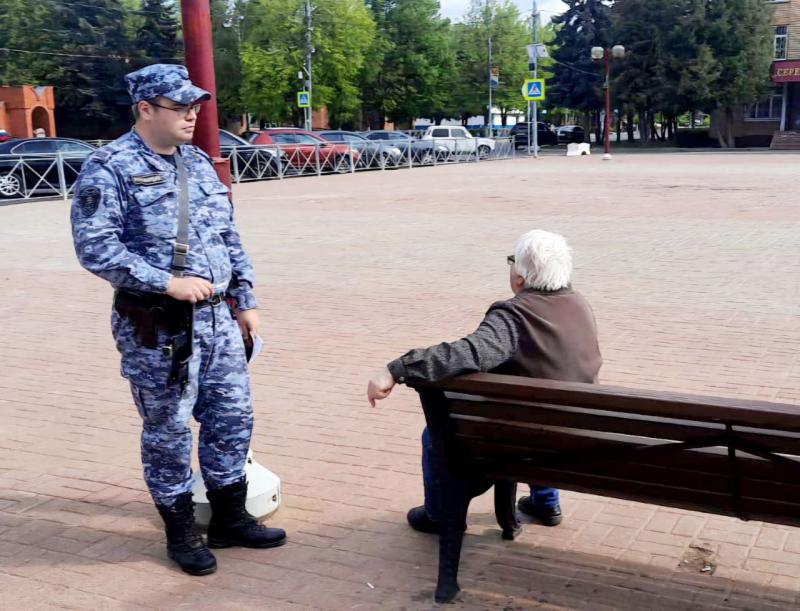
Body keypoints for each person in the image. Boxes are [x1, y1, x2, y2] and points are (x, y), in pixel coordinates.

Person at [70, 64, 285, 577]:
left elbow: (229, 236)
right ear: (145, 109)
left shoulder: (197, 164)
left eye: (195, 106)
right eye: (179, 107)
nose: (192, 115)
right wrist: (165, 282)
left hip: (219, 322)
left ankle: (231, 517)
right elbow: (95, 247)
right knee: (167, 430)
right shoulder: (110, 166)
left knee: (232, 417)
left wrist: (246, 301)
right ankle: (181, 529)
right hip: (161, 328)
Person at [367, 229, 602, 533]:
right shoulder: (580, 305)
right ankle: (546, 501)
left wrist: (396, 369)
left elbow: (466, 353)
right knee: (547, 409)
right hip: (578, 436)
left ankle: (439, 513)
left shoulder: (514, 316)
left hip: (523, 440)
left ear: (519, 277)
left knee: (434, 435)